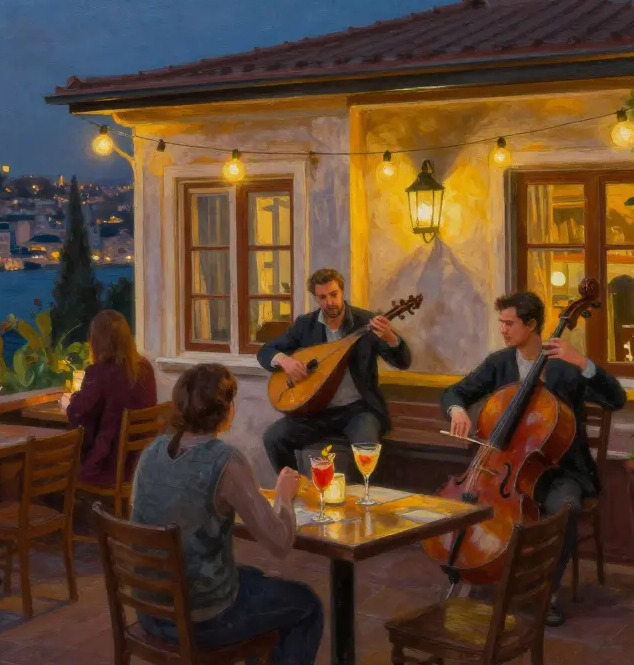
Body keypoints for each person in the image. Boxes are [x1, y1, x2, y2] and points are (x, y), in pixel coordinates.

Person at [443, 291, 626, 627]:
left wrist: (582, 362)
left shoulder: (564, 365)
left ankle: (547, 593)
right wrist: (457, 411)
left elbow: (616, 399)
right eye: (501, 322)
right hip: (503, 470)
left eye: (509, 323)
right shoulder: (499, 362)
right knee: (475, 502)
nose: (503, 329)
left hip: (559, 470)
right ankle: (478, 571)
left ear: (531, 325)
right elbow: (455, 392)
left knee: (565, 508)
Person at [131, 364, 322, 665]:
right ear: (226, 411)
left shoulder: (152, 452)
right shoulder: (225, 461)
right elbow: (280, 542)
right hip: (202, 619)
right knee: (307, 605)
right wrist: (284, 493)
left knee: (253, 578)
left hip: (150, 609)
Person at [259, 268, 413, 474]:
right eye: (323, 297)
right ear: (316, 298)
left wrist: (391, 338)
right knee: (273, 438)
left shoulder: (366, 322)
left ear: (341, 292)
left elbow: (403, 362)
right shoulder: (306, 325)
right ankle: (297, 489)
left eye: (334, 294)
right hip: (317, 411)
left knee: (366, 450)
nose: (330, 302)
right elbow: (266, 351)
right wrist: (284, 361)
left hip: (357, 410)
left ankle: (361, 501)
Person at [60, 309, 158, 486]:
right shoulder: (144, 368)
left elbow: (81, 416)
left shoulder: (100, 373)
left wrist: (68, 405)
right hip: (141, 463)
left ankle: (69, 513)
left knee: (49, 470)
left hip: (107, 467)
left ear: (96, 340)